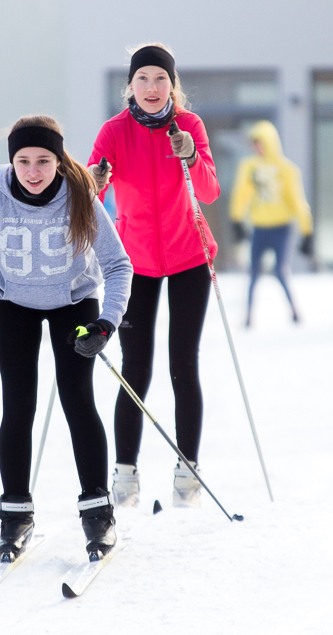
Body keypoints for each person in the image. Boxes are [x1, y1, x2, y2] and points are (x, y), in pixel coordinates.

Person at [0, 115, 133, 561]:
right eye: (23, 161)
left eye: (43, 161)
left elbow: (118, 264)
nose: (32, 171)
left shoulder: (80, 194)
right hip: (13, 306)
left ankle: (97, 513)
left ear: (58, 160)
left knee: (78, 402)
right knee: (18, 405)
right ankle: (15, 515)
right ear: (12, 161)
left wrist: (106, 323)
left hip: (74, 307)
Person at [87, 43, 220, 509]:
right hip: (135, 262)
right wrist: (97, 178)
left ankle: (188, 467)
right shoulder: (114, 131)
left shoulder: (189, 126)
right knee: (135, 368)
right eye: (142, 78)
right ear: (130, 85)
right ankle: (125, 472)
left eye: (160, 79)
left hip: (188, 257)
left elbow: (209, 189)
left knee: (183, 362)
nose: (151, 87)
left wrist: (190, 156)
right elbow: (91, 186)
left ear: (172, 85)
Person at [229, 120, 314, 326]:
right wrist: (237, 220)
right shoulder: (250, 167)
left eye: (260, 143)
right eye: (254, 144)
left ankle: (294, 311)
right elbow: (242, 193)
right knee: (254, 272)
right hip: (259, 227)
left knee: (280, 271)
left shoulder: (286, 169)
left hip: (282, 227)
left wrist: (307, 231)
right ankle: (248, 316)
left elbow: (297, 200)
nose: (256, 148)